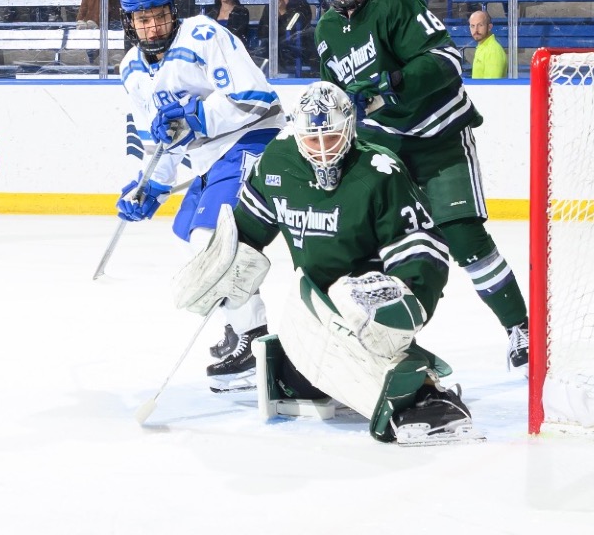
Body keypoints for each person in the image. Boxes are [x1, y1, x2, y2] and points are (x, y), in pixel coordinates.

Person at [178, 81, 474, 444]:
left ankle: (429, 394)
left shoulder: (379, 171)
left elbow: (422, 249)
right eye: (312, 140)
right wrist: (220, 267)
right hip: (315, 300)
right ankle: (392, 379)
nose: (321, 150)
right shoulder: (278, 161)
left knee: (352, 327)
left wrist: (405, 303)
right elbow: (249, 230)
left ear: (349, 128)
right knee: (294, 380)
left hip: (368, 303)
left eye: (331, 137)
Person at [313, 0, 531, 368]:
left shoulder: (395, 2)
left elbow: (449, 61)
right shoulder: (327, 29)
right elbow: (334, 99)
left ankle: (520, 327)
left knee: (465, 238)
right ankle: (373, 336)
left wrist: (393, 83)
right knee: (364, 243)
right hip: (385, 147)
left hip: (439, 138)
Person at [112, 0, 283, 389]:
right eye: (142, 19)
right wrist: (151, 185)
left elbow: (258, 98)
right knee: (192, 237)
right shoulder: (131, 70)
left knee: (212, 240)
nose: (152, 26)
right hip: (208, 158)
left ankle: (256, 344)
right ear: (129, 22)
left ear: (173, 12)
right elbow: (162, 139)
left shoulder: (203, 35)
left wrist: (197, 117)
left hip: (251, 140)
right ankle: (239, 323)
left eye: (158, 16)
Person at [274, 0, 312, 71]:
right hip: (276, 44)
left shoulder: (301, 3)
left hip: (296, 44)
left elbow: (295, 28)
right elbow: (263, 30)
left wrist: (283, 12)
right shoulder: (272, 4)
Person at [467, 9, 506, 79]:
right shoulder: (482, 46)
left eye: (480, 25)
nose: (476, 30)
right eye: (472, 26)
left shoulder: (493, 51)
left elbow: (491, 86)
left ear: (489, 27)